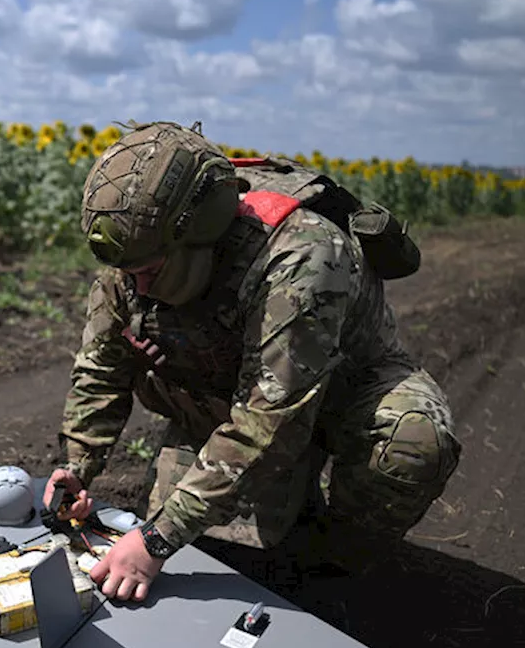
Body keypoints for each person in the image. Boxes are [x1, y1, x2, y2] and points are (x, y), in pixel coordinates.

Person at [44, 121, 461, 604]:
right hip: (231, 395)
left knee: (410, 440)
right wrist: (78, 466)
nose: (134, 288)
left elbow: (272, 420)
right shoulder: (140, 252)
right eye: (126, 274)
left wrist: (156, 539)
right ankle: (286, 509)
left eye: (148, 274)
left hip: (341, 392)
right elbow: (102, 368)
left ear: (198, 235)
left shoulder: (301, 256)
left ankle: (337, 568)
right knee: (212, 548)